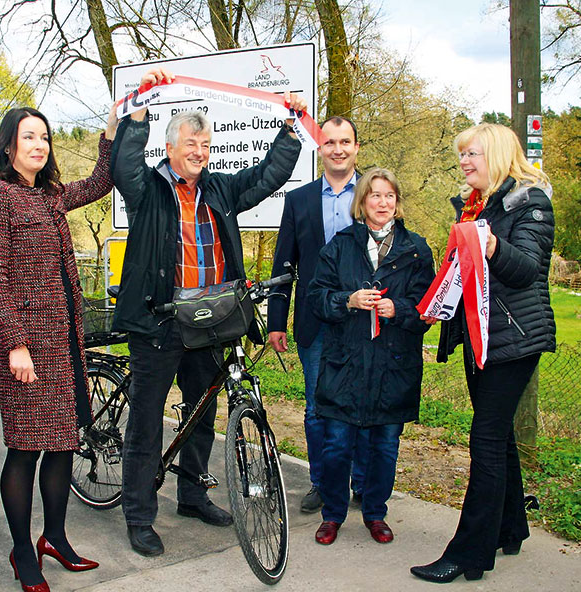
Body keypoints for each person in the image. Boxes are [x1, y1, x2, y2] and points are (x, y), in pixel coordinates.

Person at [110, 67, 305, 557]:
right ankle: (139, 515)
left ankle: (193, 495)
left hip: (211, 320)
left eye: (206, 144)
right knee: (148, 420)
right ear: (171, 148)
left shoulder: (219, 189)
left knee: (203, 410)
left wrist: (289, 129)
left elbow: (267, 176)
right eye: (191, 143)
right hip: (157, 323)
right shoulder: (147, 190)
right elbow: (123, 166)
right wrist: (139, 113)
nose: (200, 151)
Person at [0, 105, 117, 592]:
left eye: (45, 138)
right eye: (28, 136)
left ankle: (54, 537)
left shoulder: (51, 195)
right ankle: (21, 552)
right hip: (25, 345)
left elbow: (99, 183)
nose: (38, 145)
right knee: (26, 448)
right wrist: (15, 344)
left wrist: (111, 134)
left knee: (62, 444)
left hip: (63, 340)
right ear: (8, 144)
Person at [410, 123, 555, 583]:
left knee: (486, 440)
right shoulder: (475, 206)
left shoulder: (530, 202)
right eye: (462, 156)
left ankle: (470, 553)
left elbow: (528, 269)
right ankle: (510, 528)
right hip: (480, 337)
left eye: (472, 154)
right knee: (500, 437)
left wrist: (492, 245)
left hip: (512, 341)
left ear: (495, 155)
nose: (465, 162)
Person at [308, 168, 434, 546]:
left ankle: (375, 513)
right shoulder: (339, 246)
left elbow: (429, 309)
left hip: (393, 367)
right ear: (361, 203)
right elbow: (316, 298)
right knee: (336, 445)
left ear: (397, 203)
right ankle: (332, 515)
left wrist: (401, 310)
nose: (382, 203)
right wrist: (347, 300)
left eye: (389, 196)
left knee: (384, 446)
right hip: (345, 365)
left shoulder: (416, 249)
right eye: (374, 196)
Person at [268, 116, 371, 513]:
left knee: (361, 404)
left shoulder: (374, 194)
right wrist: (277, 321)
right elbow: (284, 264)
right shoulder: (300, 200)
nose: (338, 149)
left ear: (356, 147)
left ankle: (361, 482)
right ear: (319, 148)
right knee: (317, 409)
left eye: (346, 141)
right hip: (314, 321)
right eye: (330, 142)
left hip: (363, 321)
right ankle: (323, 481)